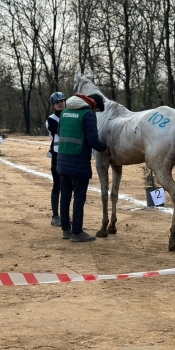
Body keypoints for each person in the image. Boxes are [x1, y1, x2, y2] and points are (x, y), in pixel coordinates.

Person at [57, 93, 109, 242]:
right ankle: (77, 232)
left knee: (65, 197)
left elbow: (60, 132)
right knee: (79, 198)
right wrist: (104, 148)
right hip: (79, 161)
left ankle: (66, 230)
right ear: (94, 105)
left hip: (62, 159)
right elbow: (93, 140)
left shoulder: (65, 112)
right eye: (97, 110)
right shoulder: (87, 114)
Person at [46, 92, 65, 227]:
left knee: (67, 187)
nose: (60, 103)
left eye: (62, 101)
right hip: (57, 155)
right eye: (57, 102)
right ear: (53, 105)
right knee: (57, 186)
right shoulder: (51, 119)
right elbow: (62, 130)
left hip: (68, 155)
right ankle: (55, 216)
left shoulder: (69, 115)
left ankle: (64, 215)